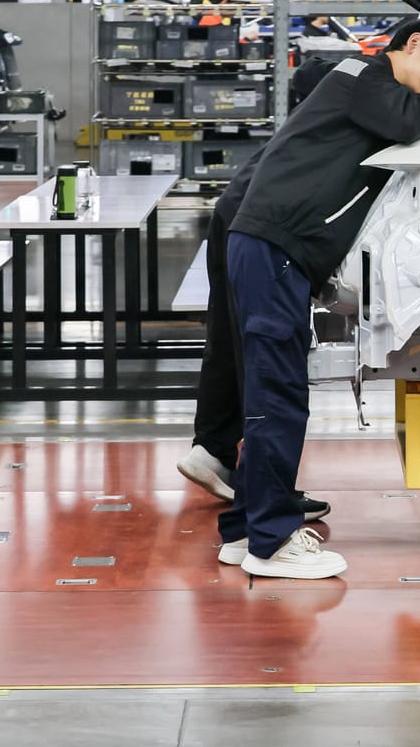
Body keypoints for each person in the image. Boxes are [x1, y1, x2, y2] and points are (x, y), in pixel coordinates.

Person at [216, 18, 420, 579]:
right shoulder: (362, 76)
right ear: (414, 42)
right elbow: (412, 126)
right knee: (277, 396)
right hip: (275, 248)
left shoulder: (368, 84)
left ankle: (245, 528)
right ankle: (272, 541)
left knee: (270, 389)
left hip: (276, 250)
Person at [177, 56, 337, 515]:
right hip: (256, 227)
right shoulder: (336, 120)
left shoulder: (302, 125)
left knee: (228, 340)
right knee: (264, 354)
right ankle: (262, 492)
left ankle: (212, 452)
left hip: (234, 214)